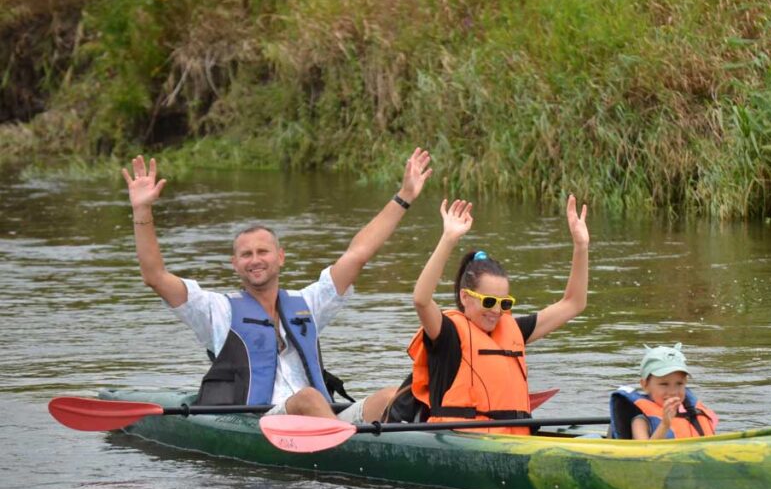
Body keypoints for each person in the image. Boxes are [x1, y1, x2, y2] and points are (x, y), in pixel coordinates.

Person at [121, 148, 433, 421]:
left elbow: (358, 254)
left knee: (394, 394)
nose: (254, 260)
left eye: (262, 252)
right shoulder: (216, 310)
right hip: (260, 422)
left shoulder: (306, 304)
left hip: (323, 419)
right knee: (309, 397)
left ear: (280, 257)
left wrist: (404, 196)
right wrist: (142, 209)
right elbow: (155, 276)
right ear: (235, 264)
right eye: (246, 254)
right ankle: (351, 451)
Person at [392, 195, 589, 434]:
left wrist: (581, 247)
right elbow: (421, 299)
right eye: (488, 302)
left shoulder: (513, 330)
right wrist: (448, 239)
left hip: (514, 440)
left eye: (504, 303)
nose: (496, 311)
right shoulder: (447, 334)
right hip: (460, 442)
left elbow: (574, 303)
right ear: (465, 297)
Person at [609, 344, 718, 440]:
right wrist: (665, 424)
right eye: (664, 384)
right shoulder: (640, 422)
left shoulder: (693, 413)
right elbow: (645, 454)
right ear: (645, 385)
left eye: (679, 384)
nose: (673, 392)